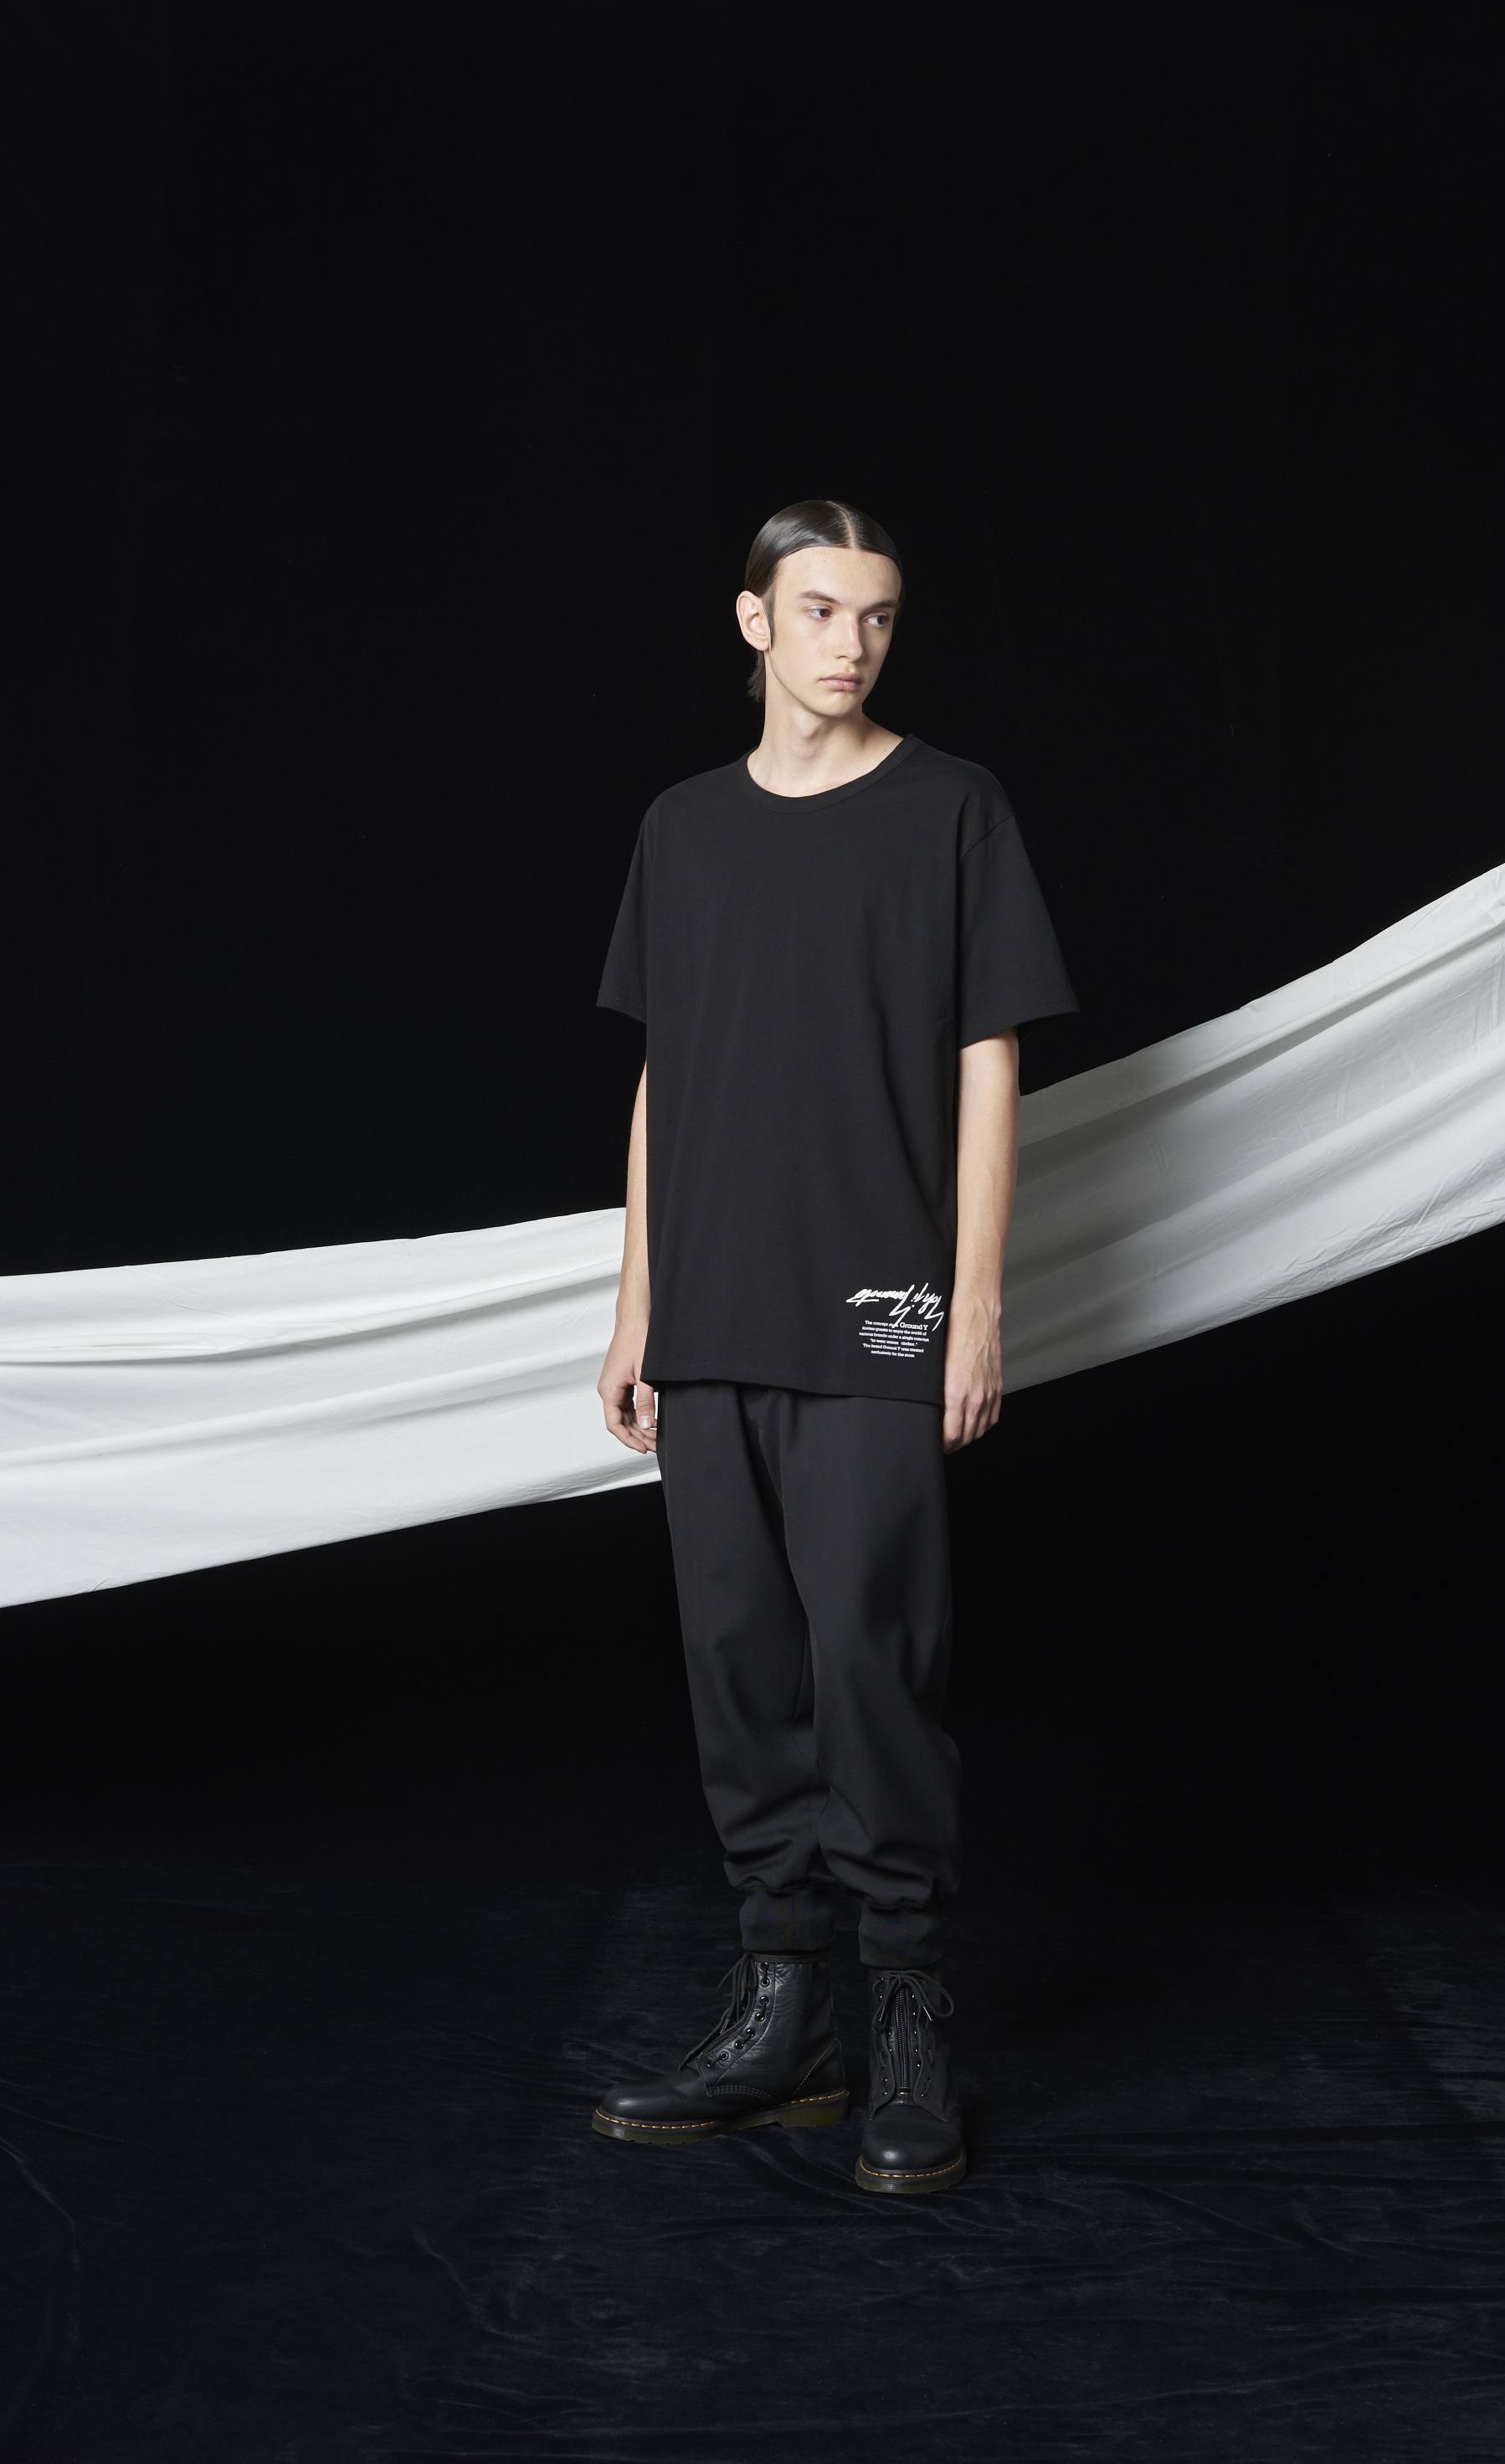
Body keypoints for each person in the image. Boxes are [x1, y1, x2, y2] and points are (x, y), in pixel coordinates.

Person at [592, 500, 1076, 2194]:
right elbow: (661, 1074)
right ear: (753, 622)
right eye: (817, 610)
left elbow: (986, 1062)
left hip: (880, 1298)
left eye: (874, 615)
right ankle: (782, 2016)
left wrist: (975, 1300)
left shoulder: (950, 808)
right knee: (737, 1655)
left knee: (872, 1654)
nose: (850, 643)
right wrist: (636, 1299)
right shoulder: (682, 827)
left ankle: (907, 2009)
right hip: (714, 1302)